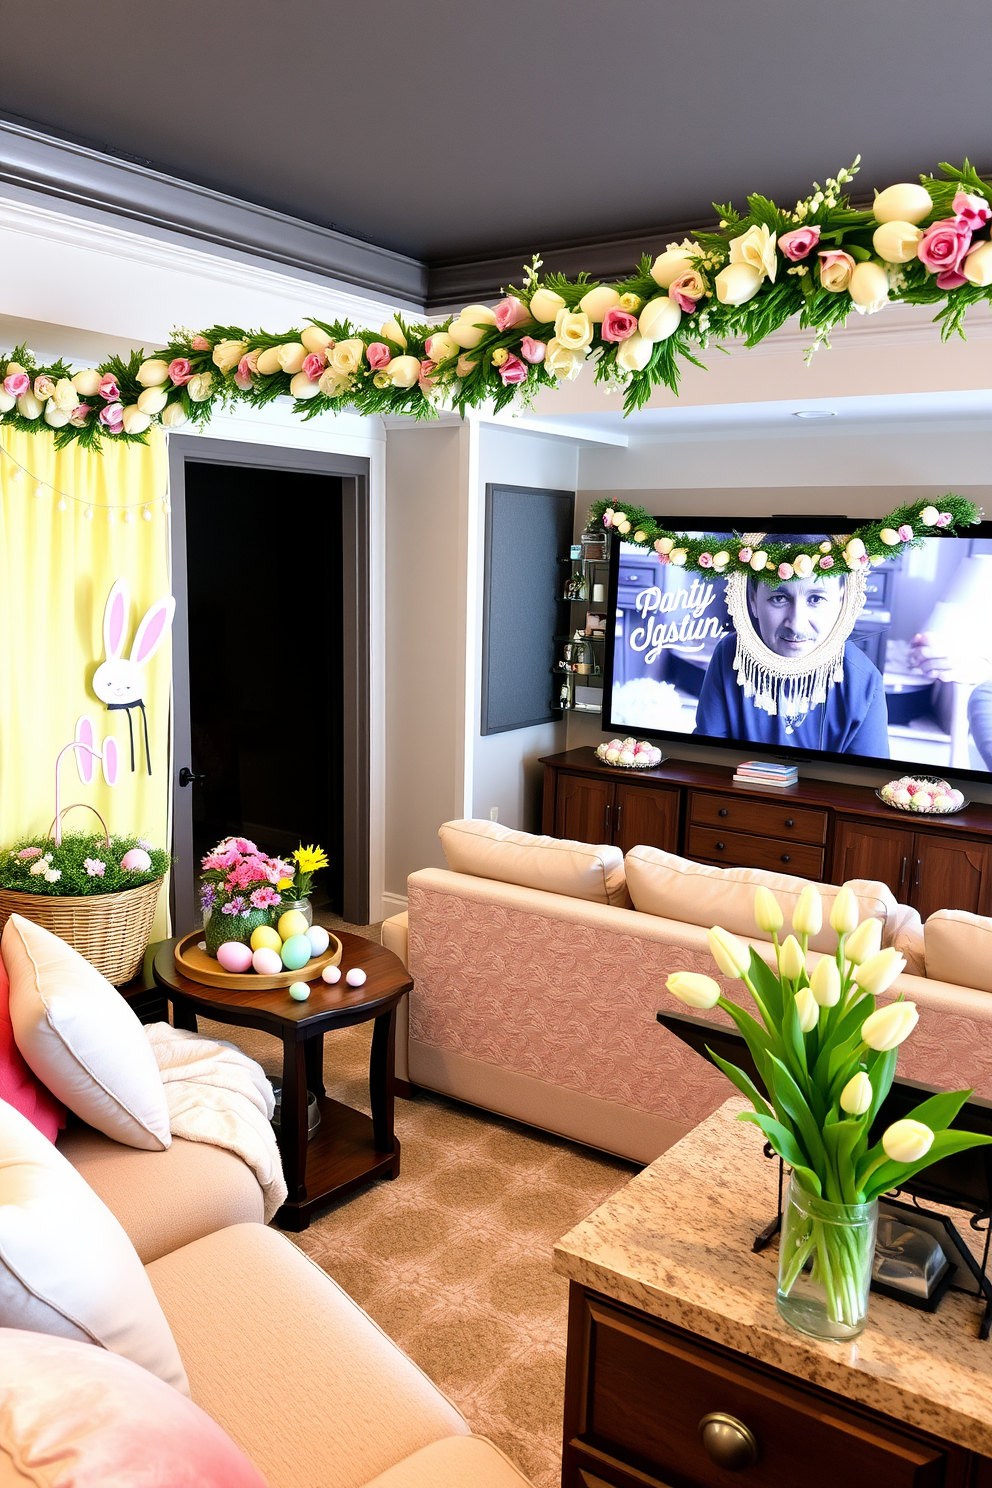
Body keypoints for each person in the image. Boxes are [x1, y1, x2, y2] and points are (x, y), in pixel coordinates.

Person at [694, 569, 890, 755]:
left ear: (841, 600)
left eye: (816, 599)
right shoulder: (730, 655)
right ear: (753, 600)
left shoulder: (864, 681)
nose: (796, 625)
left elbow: (865, 785)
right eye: (779, 598)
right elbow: (708, 762)